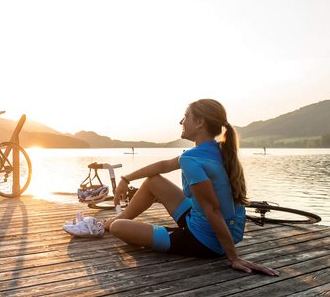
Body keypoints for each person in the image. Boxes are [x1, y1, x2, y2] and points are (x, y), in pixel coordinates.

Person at [105, 99, 278, 276]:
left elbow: (212, 209)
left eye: (186, 117)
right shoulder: (218, 150)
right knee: (153, 181)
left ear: (200, 122)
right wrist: (126, 179)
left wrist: (233, 257)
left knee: (118, 227)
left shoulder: (192, 160)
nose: (181, 122)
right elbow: (164, 165)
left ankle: (113, 223)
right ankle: (111, 221)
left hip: (205, 241)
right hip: (224, 231)